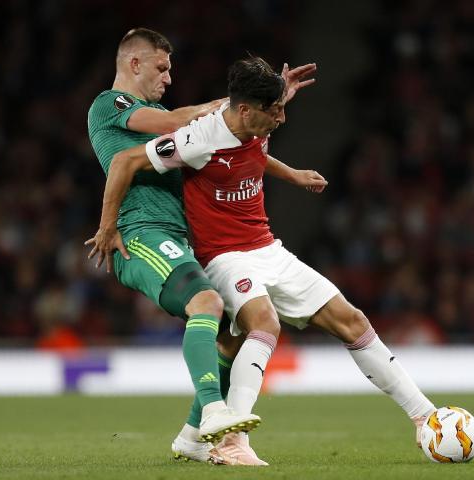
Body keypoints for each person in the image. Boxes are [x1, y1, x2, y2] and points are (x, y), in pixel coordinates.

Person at [91, 56, 474, 466]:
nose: (281, 120)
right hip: (226, 259)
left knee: (351, 320)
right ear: (246, 109)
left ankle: (426, 418)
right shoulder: (196, 139)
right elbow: (128, 161)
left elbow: (250, 152)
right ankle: (233, 441)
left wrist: (294, 173)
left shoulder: (253, 119)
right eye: (274, 111)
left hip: (267, 248)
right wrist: (108, 226)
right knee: (265, 323)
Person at [85, 29, 316, 464]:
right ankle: (213, 410)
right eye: (161, 67)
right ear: (134, 64)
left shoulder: (160, 112)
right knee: (207, 302)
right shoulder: (110, 105)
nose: (168, 78)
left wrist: (270, 103)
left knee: (239, 328)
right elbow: (182, 125)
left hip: (181, 239)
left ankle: (192, 436)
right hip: (143, 235)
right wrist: (108, 226)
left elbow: (232, 137)